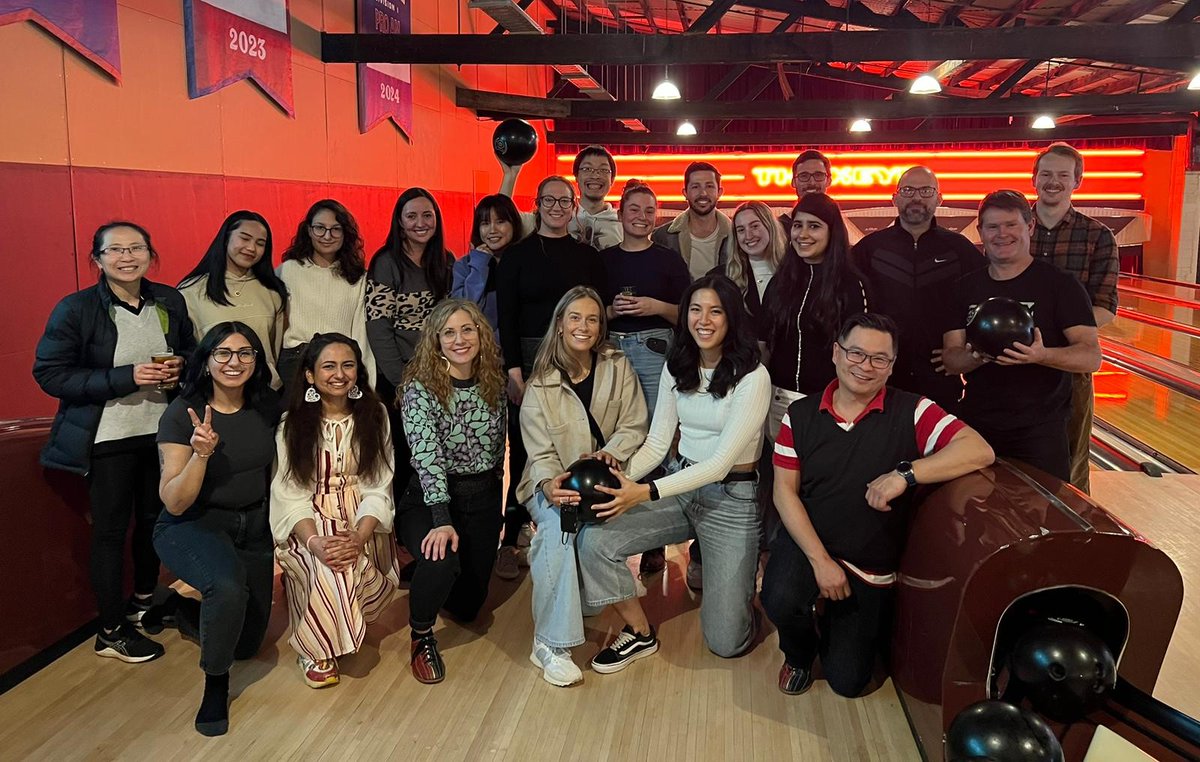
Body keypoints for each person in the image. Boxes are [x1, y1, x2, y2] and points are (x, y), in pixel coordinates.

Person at [761, 313, 994, 697]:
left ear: (891, 366)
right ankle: (798, 653)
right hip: (810, 543)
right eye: (855, 353)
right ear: (836, 354)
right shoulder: (800, 414)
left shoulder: (913, 410)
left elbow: (978, 449)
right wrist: (821, 563)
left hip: (870, 561)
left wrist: (905, 474)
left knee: (849, 682)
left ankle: (837, 622)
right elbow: (784, 492)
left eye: (878, 359)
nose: (865, 366)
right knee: (780, 598)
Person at [577, 275, 771, 670]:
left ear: (732, 318)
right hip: (681, 488)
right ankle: (639, 633)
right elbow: (657, 442)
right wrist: (622, 481)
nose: (704, 320)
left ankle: (739, 599)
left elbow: (719, 464)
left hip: (731, 501)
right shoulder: (678, 364)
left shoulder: (753, 377)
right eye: (696, 310)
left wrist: (643, 492)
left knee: (726, 642)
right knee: (594, 541)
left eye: (716, 311)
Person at [33, 221, 195, 664]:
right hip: (105, 439)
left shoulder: (168, 300)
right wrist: (126, 378)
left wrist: (182, 366)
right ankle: (109, 629)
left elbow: (190, 351)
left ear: (150, 253)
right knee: (108, 532)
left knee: (153, 522)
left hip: (161, 433)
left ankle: (143, 602)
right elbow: (50, 373)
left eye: (136, 248)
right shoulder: (77, 308)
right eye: (115, 250)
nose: (127, 257)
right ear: (98, 259)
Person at [153, 322, 281, 736]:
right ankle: (215, 684)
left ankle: (177, 608)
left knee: (247, 645)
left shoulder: (266, 406)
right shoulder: (183, 412)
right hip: (193, 524)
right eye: (222, 353)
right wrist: (200, 455)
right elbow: (174, 500)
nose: (234, 362)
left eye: (245, 353)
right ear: (206, 362)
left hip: (254, 524)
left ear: (257, 361)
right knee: (226, 587)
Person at [518, 286, 648, 686]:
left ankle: (583, 600)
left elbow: (634, 422)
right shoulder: (540, 383)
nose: (583, 326)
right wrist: (548, 483)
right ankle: (550, 645)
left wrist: (612, 452)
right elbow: (538, 451)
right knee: (559, 528)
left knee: (603, 530)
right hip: (554, 484)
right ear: (560, 325)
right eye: (575, 317)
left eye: (592, 319)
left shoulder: (616, 365)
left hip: (608, 479)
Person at [942, 190, 1101, 482]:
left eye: (1011, 224)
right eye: (992, 227)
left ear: (1029, 227)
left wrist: (1042, 355)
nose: (1002, 234)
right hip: (979, 422)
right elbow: (951, 359)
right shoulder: (964, 288)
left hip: (1041, 428)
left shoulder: (1060, 285)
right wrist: (976, 355)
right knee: (975, 515)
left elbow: (1091, 356)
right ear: (980, 232)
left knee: (1047, 517)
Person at [270, 333, 399, 689]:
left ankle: (315, 607)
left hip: (361, 517)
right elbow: (290, 496)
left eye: (348, 365)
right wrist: (315, 543)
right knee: (331, 563)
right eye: (328, 366)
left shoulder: (376, 415)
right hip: (309, 520)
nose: (339, 374)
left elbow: (378, 485)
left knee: (347, 558)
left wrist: (358, 536)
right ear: (310, 375)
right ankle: (315, 648)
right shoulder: (291, 424)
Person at [495, 175, 607, 574]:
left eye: (565, 201)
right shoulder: (516, 256)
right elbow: (505, 317)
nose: (557, 207)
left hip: (575, 359)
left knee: (573, 442)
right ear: (537, 204)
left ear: (574, 206)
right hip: (527, 359)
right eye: (549, 200)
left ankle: (572, 521)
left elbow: (598, 316)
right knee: (523, 448)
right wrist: (514, 372)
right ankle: (512, 536)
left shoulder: (588, 257)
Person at [398, 299, 507, 683]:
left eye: (467, 329)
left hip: (482, 497)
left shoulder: (494, 377)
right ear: (436, 341)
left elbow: (499, 449)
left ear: (480, 333)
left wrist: (498, 508)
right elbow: (427, 457)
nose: (459, 339)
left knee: (469, 608)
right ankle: (421, 634)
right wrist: (441, 521)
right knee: (441, 558)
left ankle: (424, 572)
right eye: (449, 332)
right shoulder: (420, 388)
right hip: (431, 498)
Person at [852, 167, 983, 409]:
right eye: (908, 190)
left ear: (939, 198)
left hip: (939, 379)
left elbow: (983, 301)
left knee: (940, 446)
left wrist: (968, 350)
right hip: (882, 375)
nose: (916, 197)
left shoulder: (959, 249)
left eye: (925, 190)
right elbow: (846, 303)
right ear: (895, 198)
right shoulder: (870, 248)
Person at [1031, 143, 1118, 495]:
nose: (1053, 182)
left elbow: (1106, 307)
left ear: (1077, 182)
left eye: (1062, 176)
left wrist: (1053, 340)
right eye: (1046, 174)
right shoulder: (1010, 228)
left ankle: (1073, 537)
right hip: (1011, 366)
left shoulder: (1098, 236)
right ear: (1034, 178)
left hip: (1071, 369)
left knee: (1071, 463)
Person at [454, 193, 526, 579]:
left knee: (524, 455)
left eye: (501, 221)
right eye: (485, 222)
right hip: (479, 381)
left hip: (519, 374)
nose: (493, 229)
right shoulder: (466, 265)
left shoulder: (526, 263)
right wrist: (480, 263)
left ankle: (513, 535)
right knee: (487, 459)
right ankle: (484, 535)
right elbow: (464, 311)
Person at [366, 187, 455, 500]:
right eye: (412, 216)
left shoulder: (445, 260)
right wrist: (402, 382)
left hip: (439, 376)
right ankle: (404, 529)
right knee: (405, 454)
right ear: (400, 222)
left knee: (438, 449)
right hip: (399, 379)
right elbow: (378, 328)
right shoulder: (386, 263)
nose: (421, 222)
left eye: (427, 215)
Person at [761, 193, 869, 442]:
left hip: (831, 402)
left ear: (832, 232)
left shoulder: (852, 284)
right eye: (798, 225)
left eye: (814, 226)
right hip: (778, 401)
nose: (803, 234)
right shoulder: (781, 281)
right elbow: (764, 344)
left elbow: (860, 352)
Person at [601, 182, 691, 415]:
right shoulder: (602, 260)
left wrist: (656, 306)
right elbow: (588, 312)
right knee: (612, 421)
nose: (642, 216)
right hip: (609, 348)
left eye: (649, 211)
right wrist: (612, 310)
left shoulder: (670, 260)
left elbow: (688, 314)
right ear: (620, 215)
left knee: (654, 421)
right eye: (634, 209)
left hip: (655, 348)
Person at [276, 199, 375, 402]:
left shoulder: (357, 278)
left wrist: (368, 384)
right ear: (309, 231)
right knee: (297, 429)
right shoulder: (287, 271)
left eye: (335, 229)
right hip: (296, 364)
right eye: (320, 228)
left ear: (345, 234)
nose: (327, 236)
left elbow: (361, 335)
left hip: (339, 366)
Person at [178, 211, 288, 388]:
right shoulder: (190, 291)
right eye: (244, 238)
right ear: (226, 238)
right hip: (212, 394)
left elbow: (275, 351)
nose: (251, 248)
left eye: (260, 243)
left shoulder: (272, 291)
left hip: (264, 393)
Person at [501, 145, 623, 249]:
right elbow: (503, 217)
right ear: (576, 176)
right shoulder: (553, 216)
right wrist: (509, 176)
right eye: (587, 169)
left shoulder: (623, 224)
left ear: (612, 179)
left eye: (603, 170)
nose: (595, 175)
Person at [651, 161, 734, 280]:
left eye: (709, 186)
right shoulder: (663, 237)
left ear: (720, 192)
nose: (703, 193)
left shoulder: (736, 236)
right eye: (695, 186)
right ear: (685, 193)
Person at [721, 200, 788, 318]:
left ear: (770, 226)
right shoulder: (723, 278)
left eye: (755, 226)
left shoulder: (795, 273)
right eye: (741, 230)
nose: (748, 236)